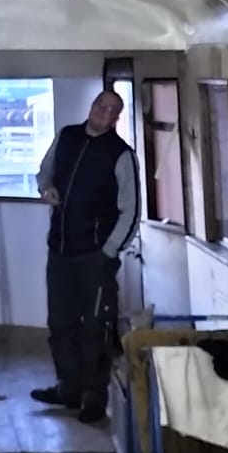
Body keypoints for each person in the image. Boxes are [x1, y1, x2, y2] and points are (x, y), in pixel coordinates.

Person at [31, 88, 138, 423]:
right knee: (60, 324)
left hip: (95, 256)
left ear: (117, 118)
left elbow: (131, 210)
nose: (104, 111)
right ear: (92, 106)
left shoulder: (121, 154)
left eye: (112, 109)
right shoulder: (67, 137)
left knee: (95, 328)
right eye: (100, 105)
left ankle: (94, 397)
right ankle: (69, 388)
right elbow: (44, 172)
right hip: (60, 250)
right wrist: (46, 188)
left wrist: (109, 251)